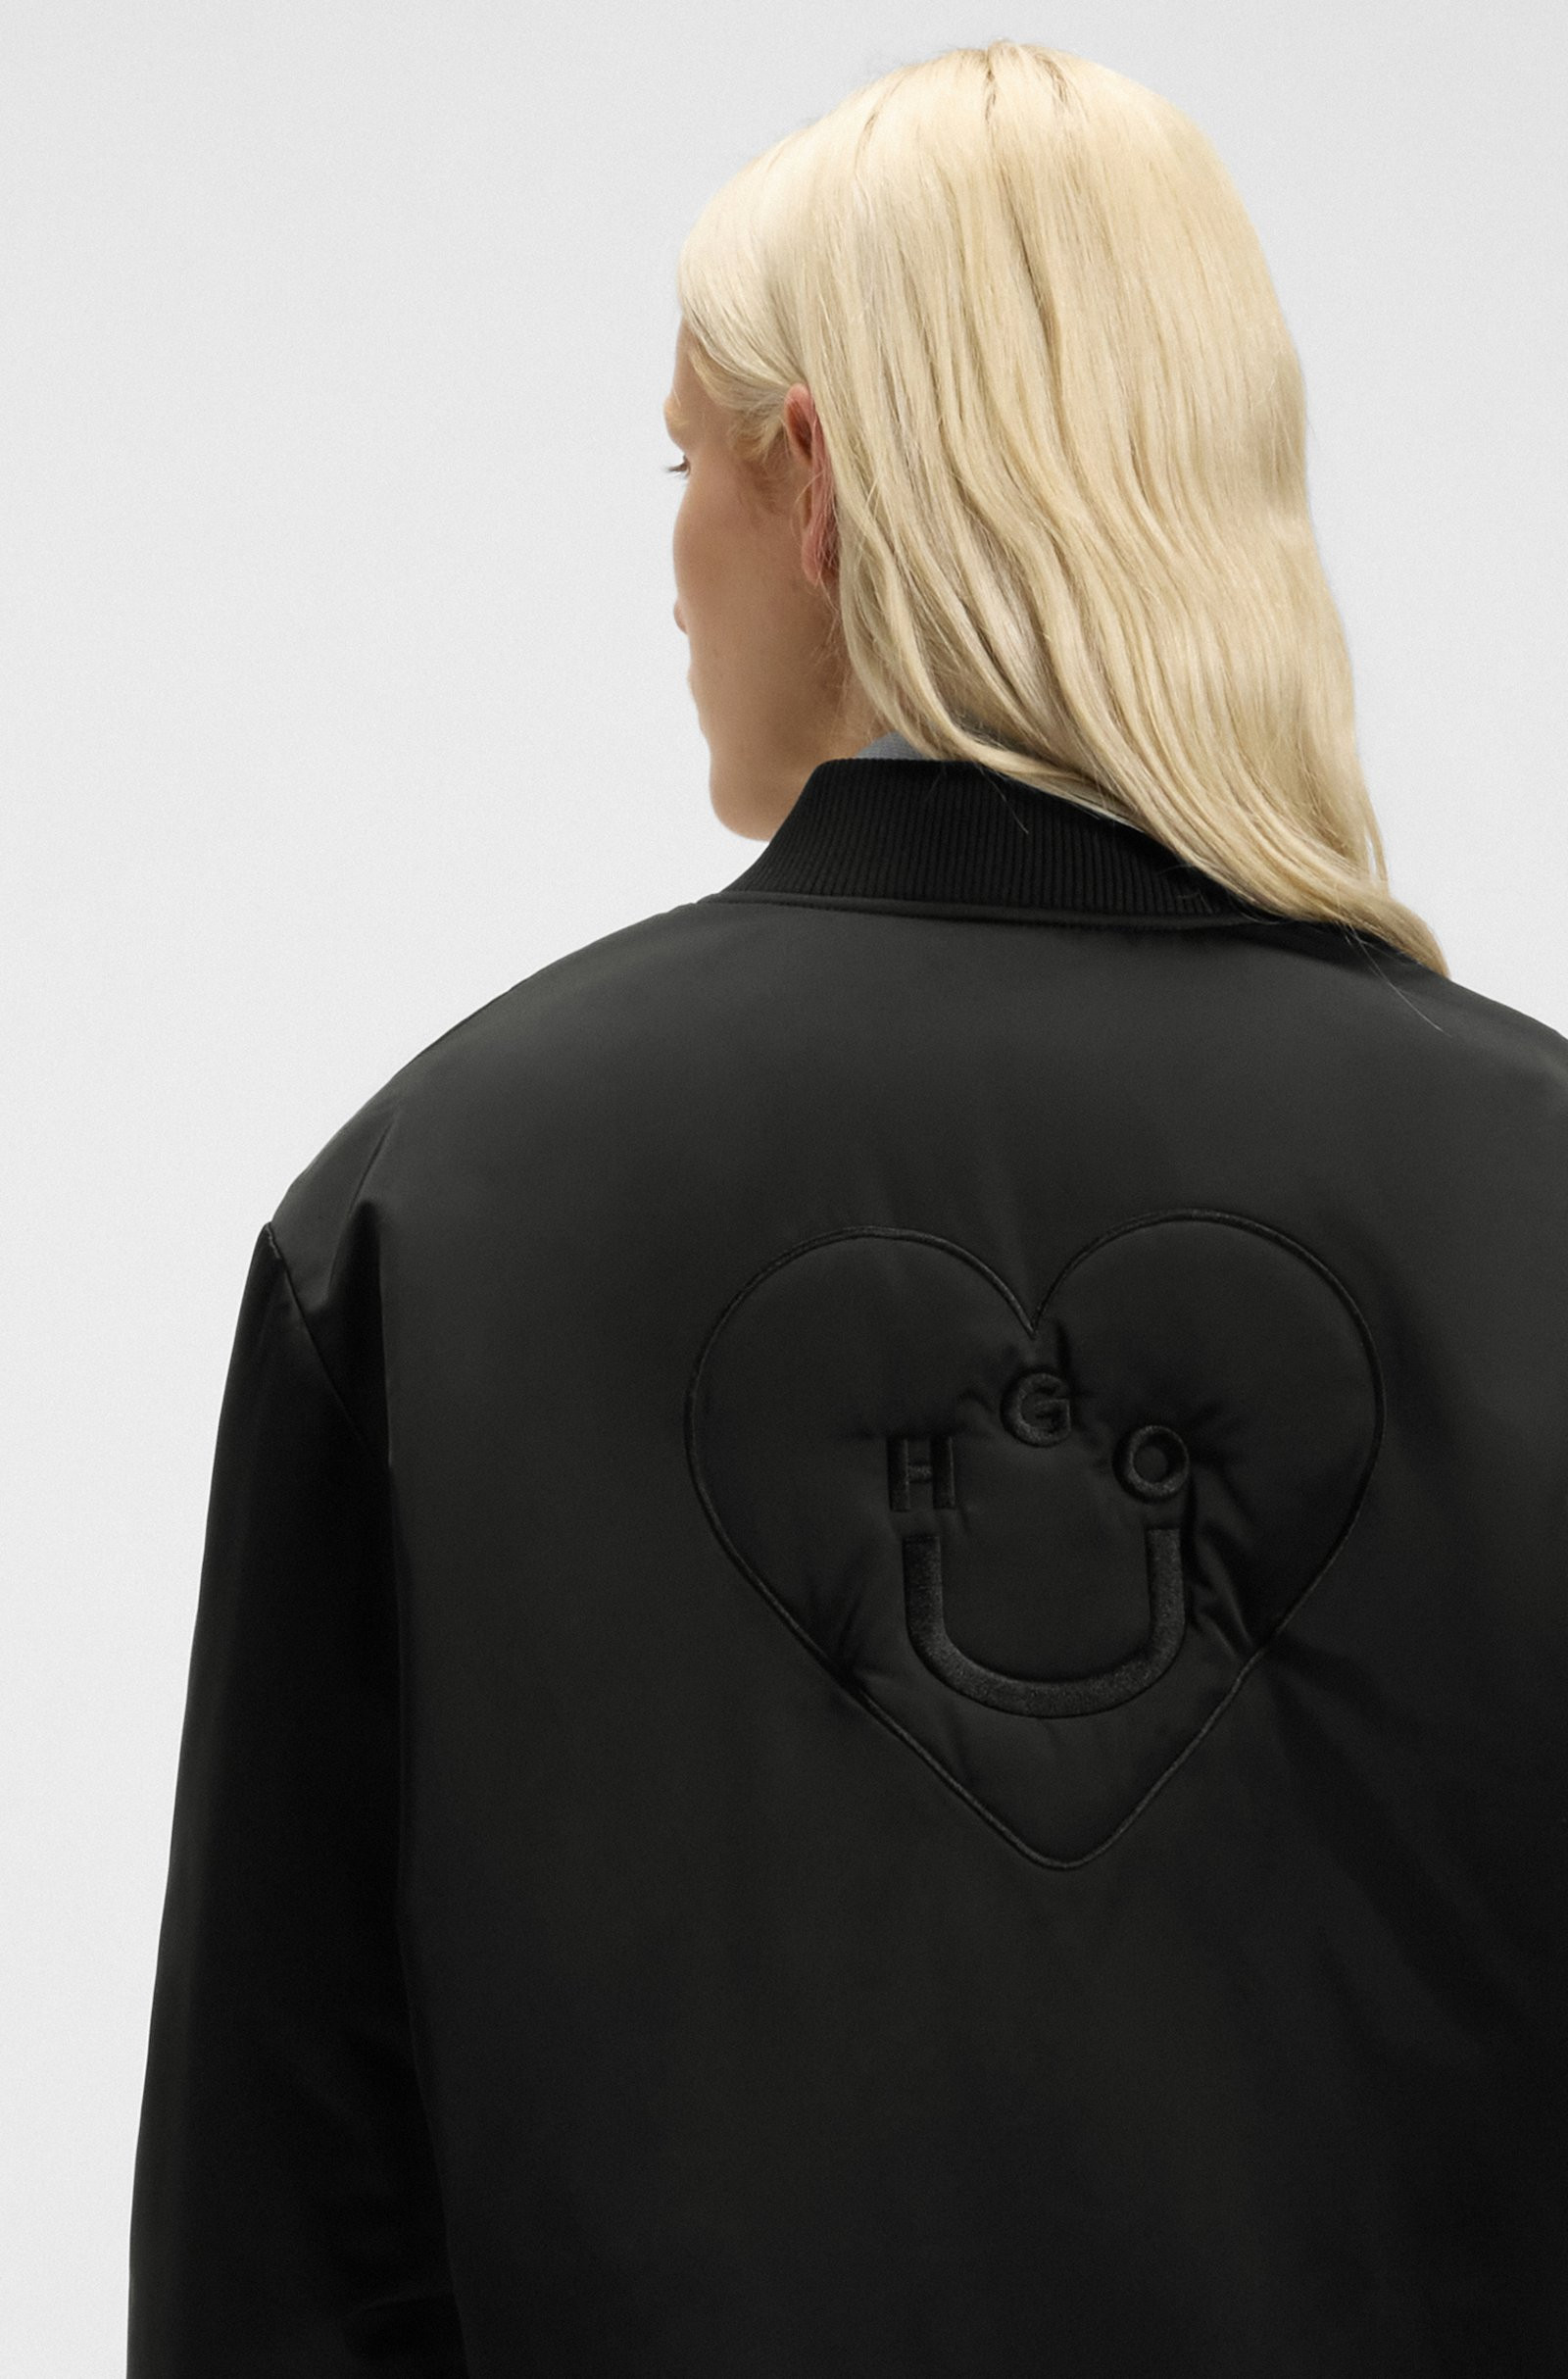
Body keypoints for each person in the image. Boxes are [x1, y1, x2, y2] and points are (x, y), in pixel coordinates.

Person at [127, 39, 1568, 2377]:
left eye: (678, 460)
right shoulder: (1537, 1197)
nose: (665, 561)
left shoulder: (436, 1203)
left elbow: (286, 2245)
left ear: (809, 483)